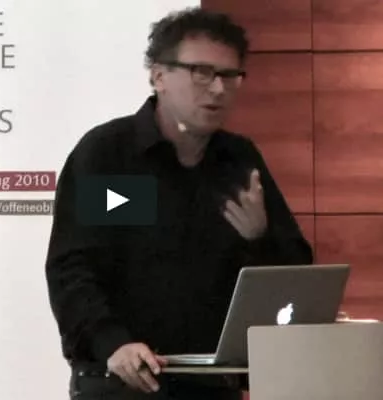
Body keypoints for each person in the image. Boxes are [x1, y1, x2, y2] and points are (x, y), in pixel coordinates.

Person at [45, 7, 313, 400]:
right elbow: (73, 267)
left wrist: (260, 239)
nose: (218, 89)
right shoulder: (112, 154)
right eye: (202, 72)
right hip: (125, 382)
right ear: (159, 76)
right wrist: (112, 343)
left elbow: (297, 279)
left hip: (214, 382)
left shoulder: (238, 161)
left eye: (230, 75)